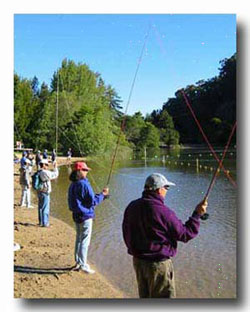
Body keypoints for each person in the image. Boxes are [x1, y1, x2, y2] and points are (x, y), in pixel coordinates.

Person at [122, 173, 208, 298]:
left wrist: (136, 251)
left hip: (138, 262)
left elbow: (126, 233)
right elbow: (185, 234)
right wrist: (196, 215)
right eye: (166, 188)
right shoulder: (163, 211)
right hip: (158, 265)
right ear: (158, 189)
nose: (167, 191)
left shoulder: (132, 206)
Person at [68, 161, 109, 274]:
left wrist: (101, 195)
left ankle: (78, 262)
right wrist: (103, 195)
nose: (86, 172)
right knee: (84, 240)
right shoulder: (84, 184)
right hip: (85, 216)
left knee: (79, 239)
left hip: (76, 215)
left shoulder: (73, 184)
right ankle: (83, 264)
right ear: (79, 171)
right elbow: (92, 201)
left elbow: (85, 199)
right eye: (85, 170)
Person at [37, 159, 59, 227]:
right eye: (46, 165)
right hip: (45, 192)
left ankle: (41, 222)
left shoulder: (39, 171)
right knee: (45, 208)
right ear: (43, 165)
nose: (47, 166)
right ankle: (45, 223)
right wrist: (55, 167)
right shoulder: (44, 172)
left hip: (40, 191)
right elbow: (55, 175)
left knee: (40, 207)